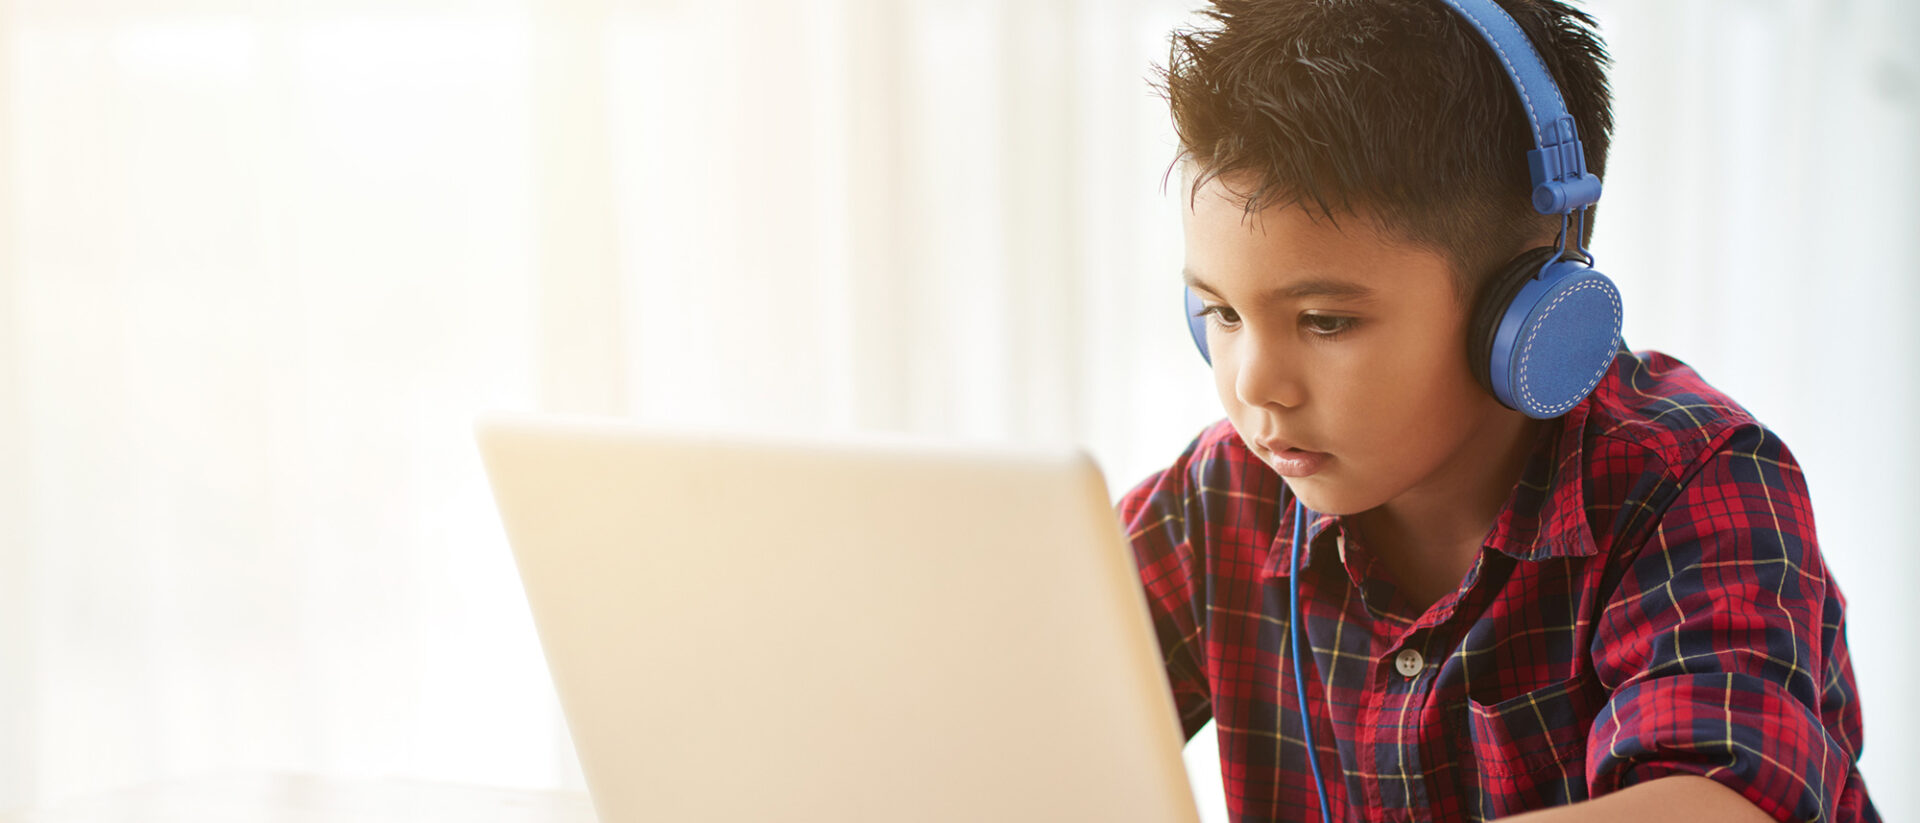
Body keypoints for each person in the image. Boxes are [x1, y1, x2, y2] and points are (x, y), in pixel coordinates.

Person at [1115, 1, 1879, 821]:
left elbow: (1717, 803)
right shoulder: (1217, 496)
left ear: (1528, 316)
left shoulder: (1690, 480)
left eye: (1325, 321)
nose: (1254, 385)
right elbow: (1014, 713)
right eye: (1222, 314)